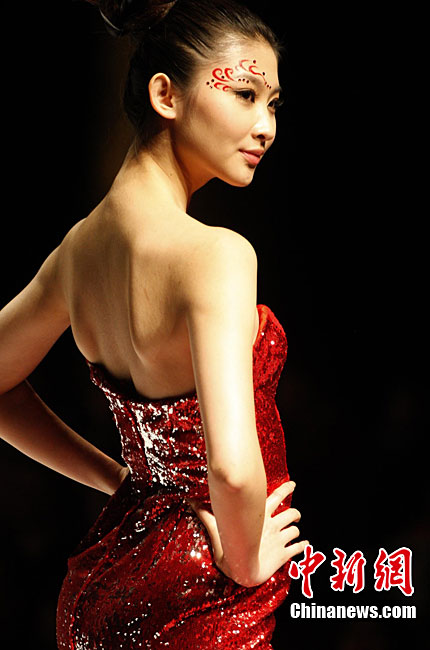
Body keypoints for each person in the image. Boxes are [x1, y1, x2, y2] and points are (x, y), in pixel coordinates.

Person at [0, 0, 309, 647]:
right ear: (165, 95)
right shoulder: (216, 256)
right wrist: (246, 561)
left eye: (273, 104)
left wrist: (123, 484)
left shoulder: (77, 254)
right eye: (245, 94)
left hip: (105, 581)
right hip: (204, 584)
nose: (266, 126)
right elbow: (232, 468)